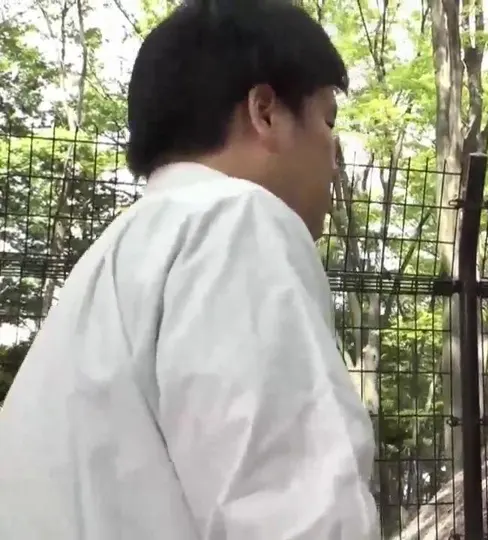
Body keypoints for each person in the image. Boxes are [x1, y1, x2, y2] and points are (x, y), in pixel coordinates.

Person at [0, 1, 381, 538]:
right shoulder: (234, 219)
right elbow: (299, 518)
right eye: (327, 120)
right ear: (265, 111)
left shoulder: (113, 260)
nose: (335, 156)